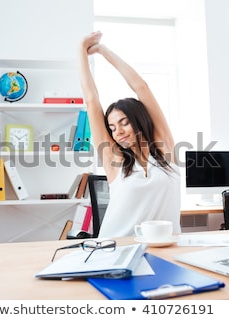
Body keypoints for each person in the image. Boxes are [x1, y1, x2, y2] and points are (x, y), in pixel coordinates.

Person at [78, 31, 181, 238]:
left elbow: (141, 87)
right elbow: (91, 100)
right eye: (113, 127)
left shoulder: (165, 149)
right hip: (116, 250)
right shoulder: (114, 160)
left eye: (124, 123)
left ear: (139, 121)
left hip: (167, 249)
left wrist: (104, 51)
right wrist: (81, 50)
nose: (119, 132)